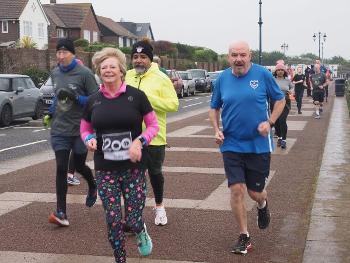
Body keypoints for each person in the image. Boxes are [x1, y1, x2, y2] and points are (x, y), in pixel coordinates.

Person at [81, 47, 159, 262]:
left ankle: (140, 229)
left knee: (132, 221)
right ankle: (120, 258)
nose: (108, 70)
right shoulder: (93, 100)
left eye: (112, 66)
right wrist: (89, 140)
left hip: (133, 167)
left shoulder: (136, 96)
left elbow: (153, 125)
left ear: (121, 71)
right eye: (103, 67)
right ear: (99, 71)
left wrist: (140, 141)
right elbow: (85, 128)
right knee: (114, 219)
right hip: (105, 168)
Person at [209, 41, 285, 255]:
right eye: (234, 55)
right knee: (236, 189)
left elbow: (280, 101)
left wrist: (269, 122)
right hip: (231, 144)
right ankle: (244, 236)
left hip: (258, 145)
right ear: (228, 57)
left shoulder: (262, 75)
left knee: (254, 192)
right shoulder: (222, 78)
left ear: (249, 55)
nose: (238, 59)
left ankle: (263, 203)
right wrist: (216, 129)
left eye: (243, 54)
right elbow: (214, 108)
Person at [125, 40, 179, 226]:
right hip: (130, 138)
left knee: (155, 174)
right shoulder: (127, 76)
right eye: (135, 57)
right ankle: (134, 215)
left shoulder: (161, 78)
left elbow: (173, 104)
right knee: (133, 177)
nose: (139, 61)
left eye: (143, 57)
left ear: (150, 59)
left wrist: (147, 99)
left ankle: (160, 207)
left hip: (154, 137)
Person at [47, 38, 98, 227]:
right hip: (59, 129)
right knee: (61, 168)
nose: (60, 56)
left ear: (73, 54)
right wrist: (51, 111)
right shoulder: (55, 73)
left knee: (78, 165)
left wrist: (77, 97)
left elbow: (95, 99)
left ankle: (92, 185)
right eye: (58, 53)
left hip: (80, 129)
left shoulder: (85, 74)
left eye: (64, 52)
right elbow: (57, 96)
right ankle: (61, 212)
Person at [274, 63, 294, 149]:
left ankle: (284, 140)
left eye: (282, 70)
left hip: (285, 102)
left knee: (282, 120)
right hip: (274, 103)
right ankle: (279, 137)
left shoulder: (287, 80)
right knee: (276, 122)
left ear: (284, 71)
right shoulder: (272, 80)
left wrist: (291, 91)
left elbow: (292, 88)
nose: (280, 71)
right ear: (276, 71)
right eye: (278, 70)